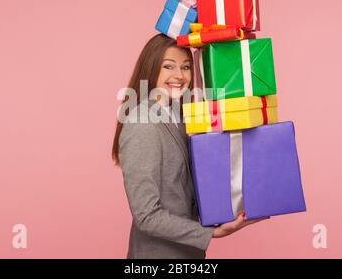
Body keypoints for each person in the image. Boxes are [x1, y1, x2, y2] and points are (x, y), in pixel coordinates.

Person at [112, 34, 267, 259]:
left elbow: (187, 187)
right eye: (168, 66)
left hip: (188, 254)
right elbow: (146, 216)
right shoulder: (142, 123)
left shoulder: (178, 115)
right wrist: (210, 233)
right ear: (151, 68)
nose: (179, 76)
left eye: (186, 67)